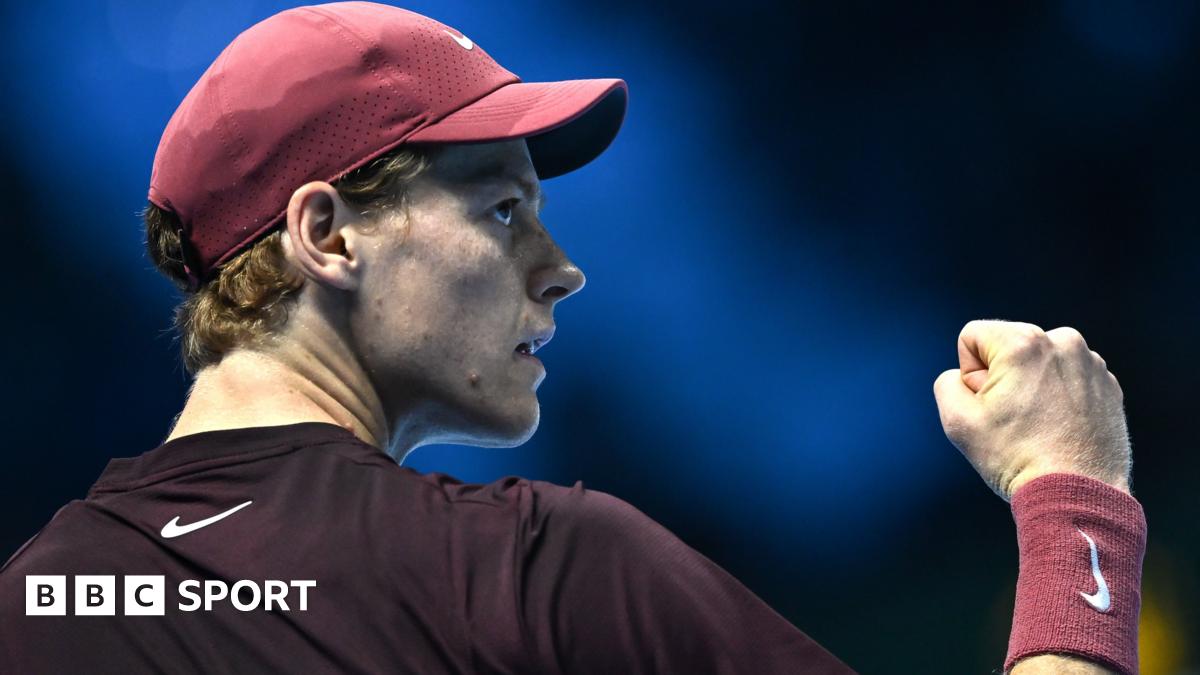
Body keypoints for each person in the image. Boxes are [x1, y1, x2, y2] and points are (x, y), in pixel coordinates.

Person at [0, 3, 1146, 673]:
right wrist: (1072, 502)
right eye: (503, 210)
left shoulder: (38, 598)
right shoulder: (531, 569)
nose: (557, 267)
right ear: (326, 235)